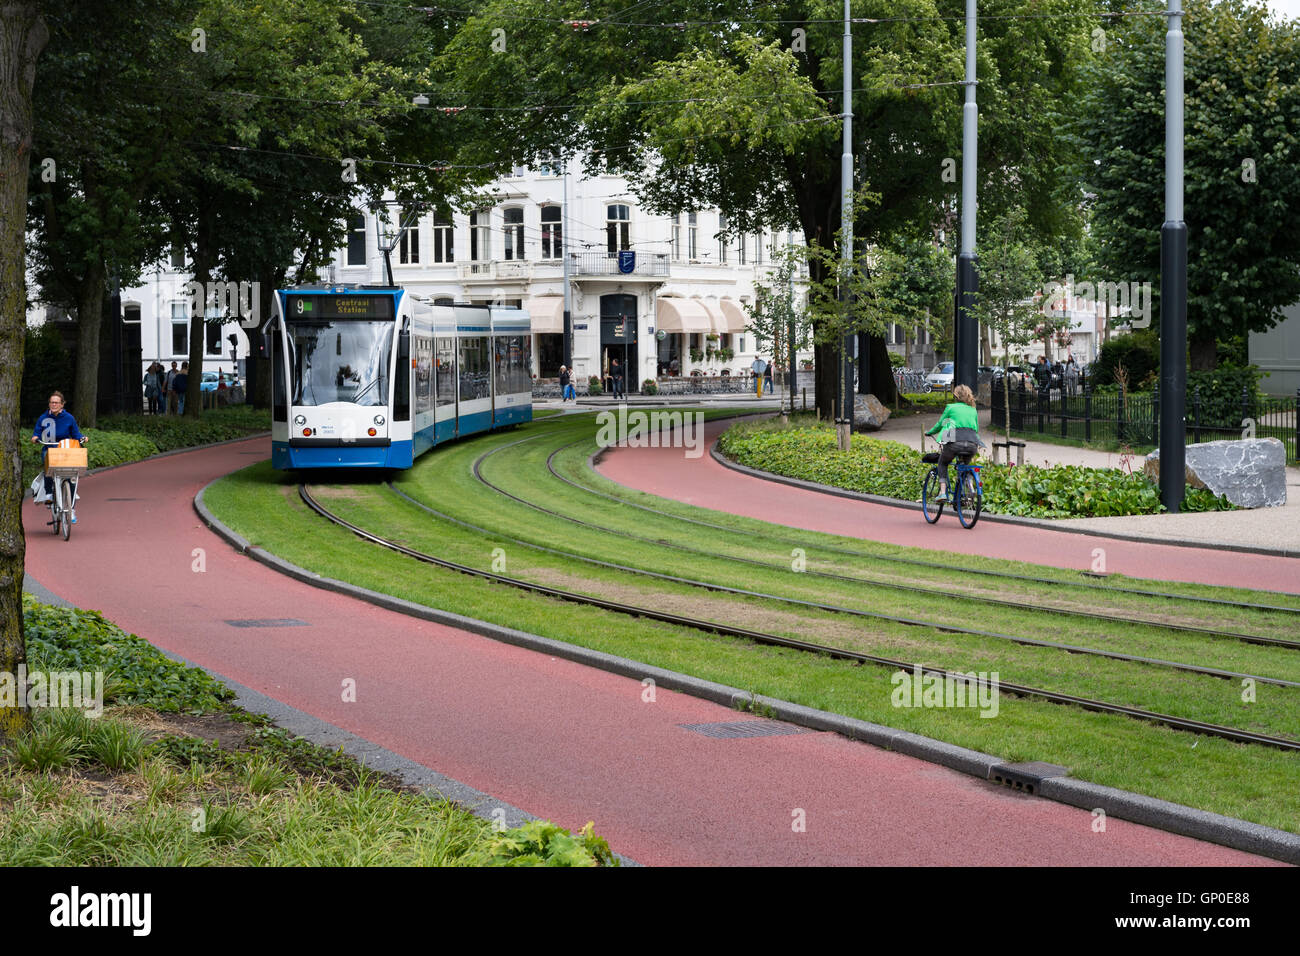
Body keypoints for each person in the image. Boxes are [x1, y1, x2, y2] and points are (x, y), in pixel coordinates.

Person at [30, 391, 87, 505]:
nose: (54, 405)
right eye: (52, 402)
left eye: (56, 403)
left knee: (72, 472)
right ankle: (48, 493)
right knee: (48, 465)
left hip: (65, 449)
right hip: (49, 448)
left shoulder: (69, 418)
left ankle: (72, 505)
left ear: (62, 404)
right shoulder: (43, 418)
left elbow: (76, 434)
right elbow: (36, 433)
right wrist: (35, 438)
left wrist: (82, 438)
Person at [924, 383, 981, 496]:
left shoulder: (950, 407)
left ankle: (943, 492)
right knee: (965, 465)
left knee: (943, 462)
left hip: (955, 443)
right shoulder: (973, 410)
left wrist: (929, 432)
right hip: (972, 443)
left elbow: (941, 424)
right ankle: (969, 485)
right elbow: (976, 429)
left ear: (956, 396)